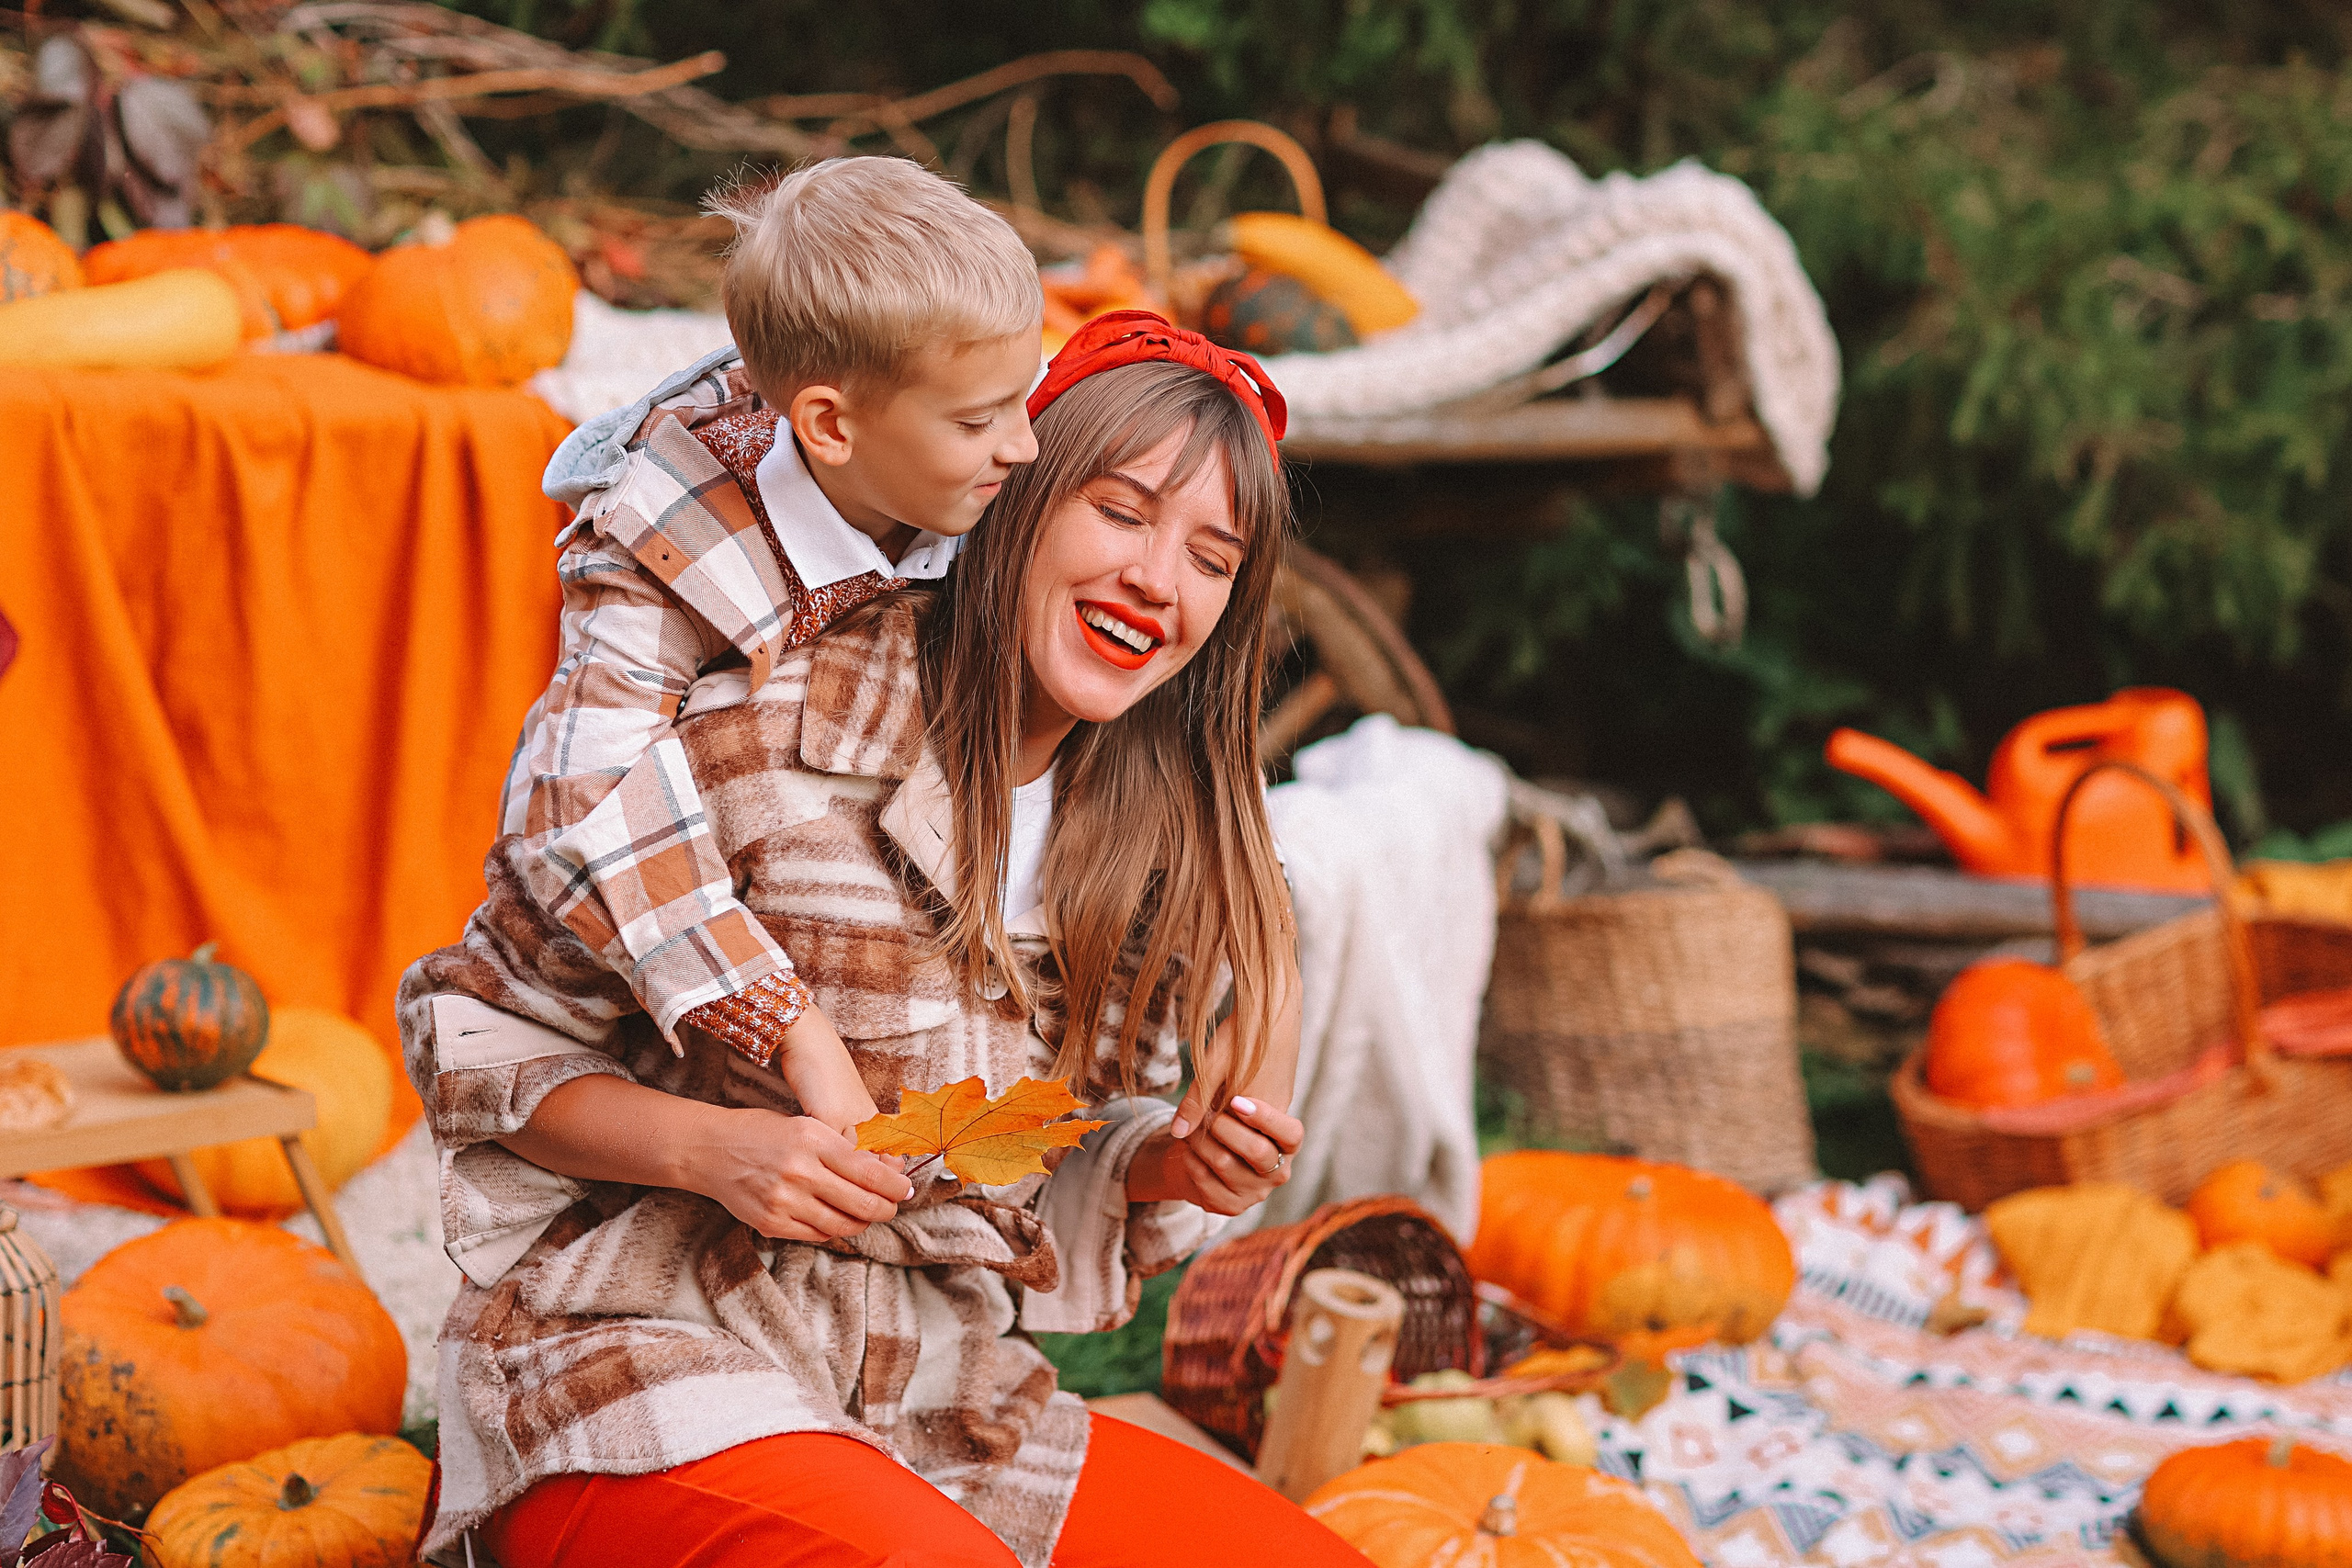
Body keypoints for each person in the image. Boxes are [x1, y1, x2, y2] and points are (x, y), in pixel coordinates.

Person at [400, 312, 1374, 1566]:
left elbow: (1009, 1163)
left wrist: (1167, 1165)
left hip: (938, 1398)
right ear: (1016, 496)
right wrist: (718, 1149)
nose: (1156, 578)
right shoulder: (765, 720)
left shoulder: (1136, 852)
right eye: (1122, 512)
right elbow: (472, 1031)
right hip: (645, 1357)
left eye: (1210, 555)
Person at [514, 156, 1045, 1138]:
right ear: (830, 427)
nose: (1024, 445)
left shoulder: (960, 466)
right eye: (979, 421)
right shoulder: (660, 548)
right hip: (729, 970)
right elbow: (576, 805)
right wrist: (788, 1023)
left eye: (1028, 395)